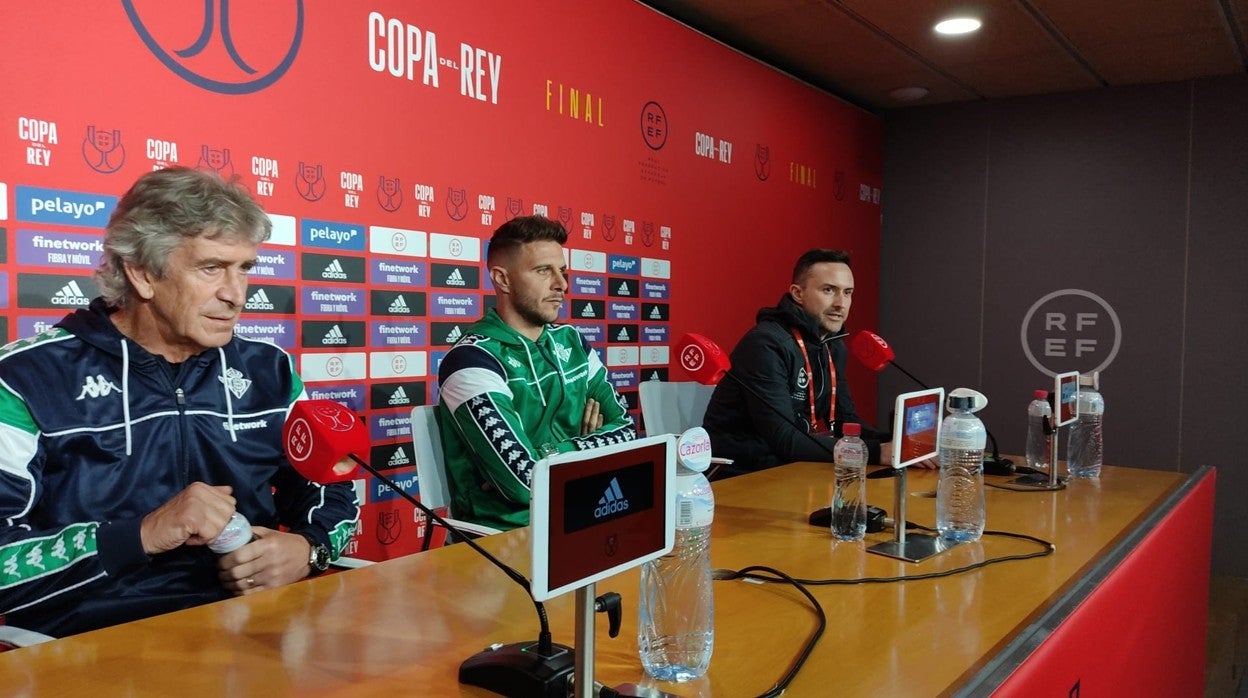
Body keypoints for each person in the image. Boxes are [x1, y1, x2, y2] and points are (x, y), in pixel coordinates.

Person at [0, 167, 359, 638]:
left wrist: (308, 550)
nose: (235, 295)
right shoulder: (25, 378)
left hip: (257, 632)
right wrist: (143, 534)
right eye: (211, 268)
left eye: (244, 268)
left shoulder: (269, 370)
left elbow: (332, 488)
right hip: (96, 643)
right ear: (143, 273)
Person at [437, 215, 636, 531]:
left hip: (584, 516)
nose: (562, 284)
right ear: (502, 280)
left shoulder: (573, 342)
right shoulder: (471, 359)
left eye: (563, 271)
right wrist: (589, 449)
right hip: (505, 538)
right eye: (544, 271)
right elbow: (525, 482)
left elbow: (628, 434)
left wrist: (550, 454)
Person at [703, 249, 920, 477]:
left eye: (848, 293)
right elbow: (784, 439)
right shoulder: (765, 344)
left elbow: (847, 422)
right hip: (744, 475)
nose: (840, 303)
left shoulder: (832, 344)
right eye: (829, 290)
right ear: (798, 293)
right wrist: (875, 453)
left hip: (793, 469)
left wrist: (900, 446)